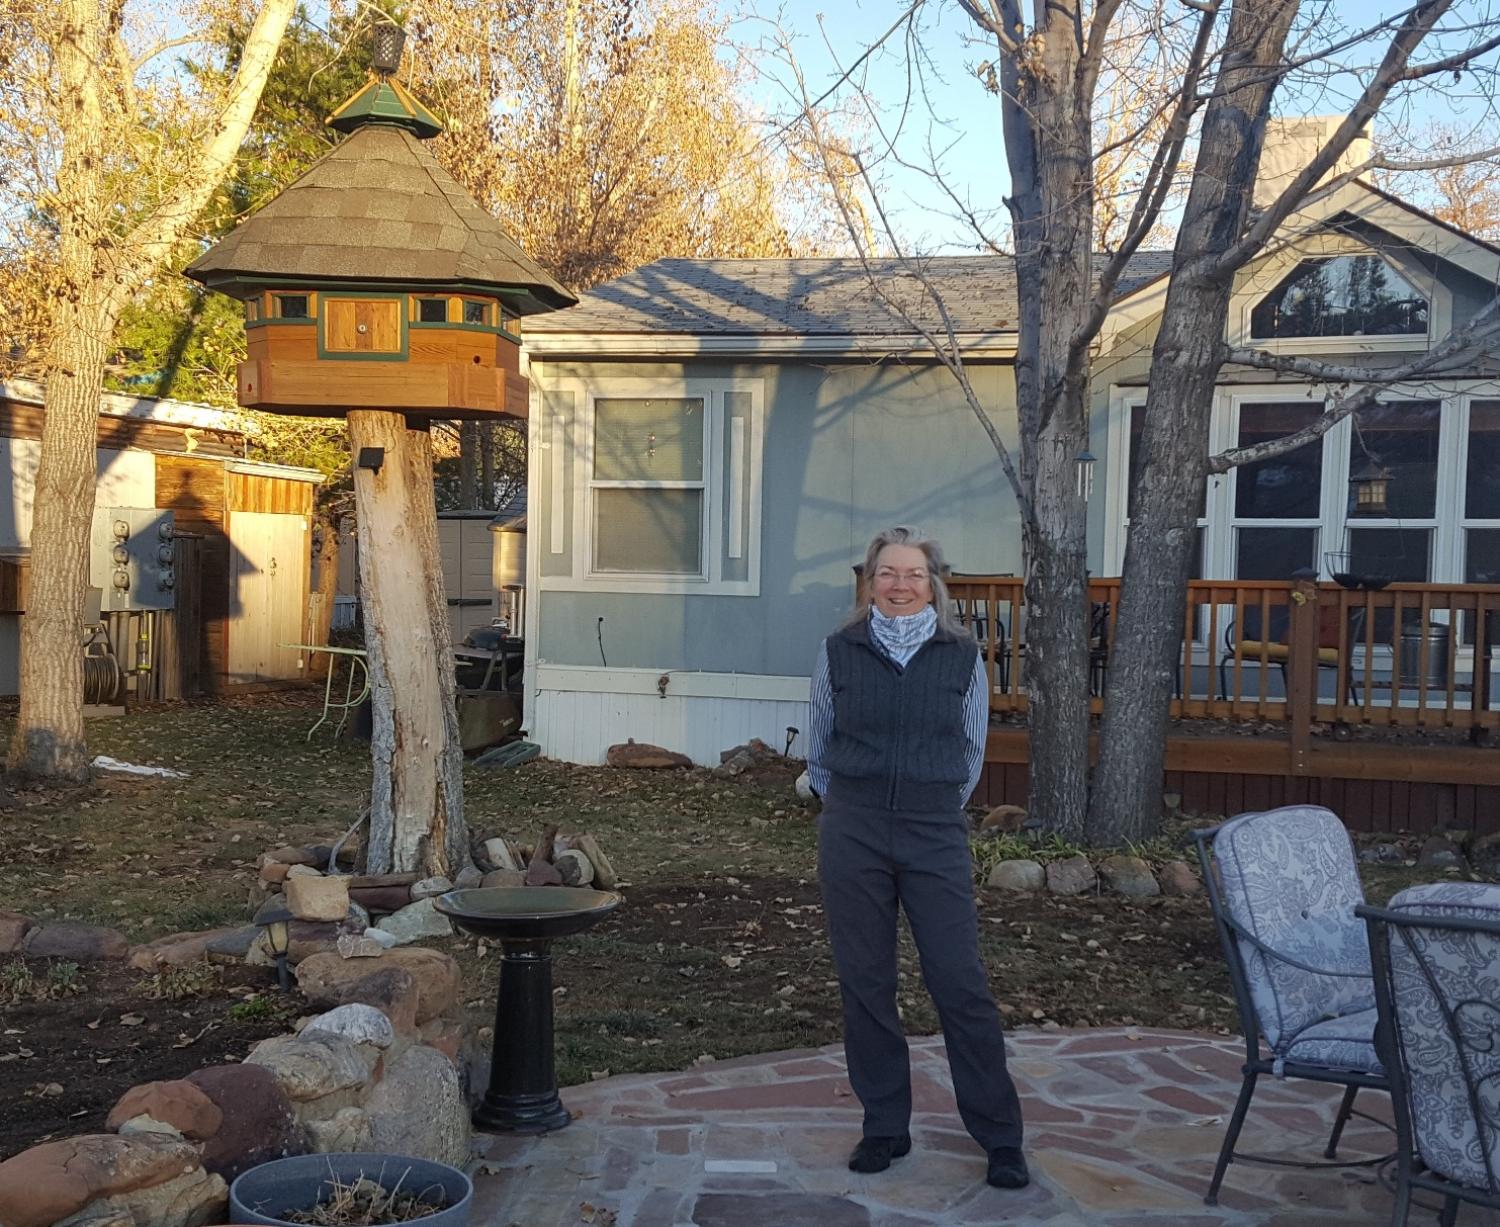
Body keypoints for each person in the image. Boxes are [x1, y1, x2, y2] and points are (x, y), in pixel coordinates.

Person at [807, 526, 1028, 1189]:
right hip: (854, 828)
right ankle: (884, 1126)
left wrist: (928, 802)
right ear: (869, 581)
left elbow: (970, 750)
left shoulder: (962, 655)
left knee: (960, 983)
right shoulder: (837, 651)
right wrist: (852, 803)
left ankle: (1000, 1136)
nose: (900, 585)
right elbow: (820, 744)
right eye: (887, 573)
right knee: (866, 982)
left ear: (934, 584)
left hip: (934, 830)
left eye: (913, 574)